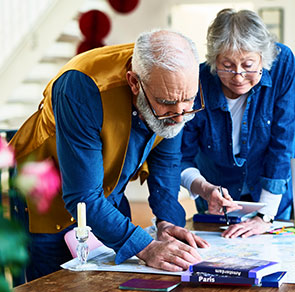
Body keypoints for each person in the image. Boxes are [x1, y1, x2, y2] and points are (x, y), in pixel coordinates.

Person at [9, 29, 209, 281]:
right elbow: (83, 195)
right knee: (54, 283)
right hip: (46, 195)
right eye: (167, 105)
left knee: (115, 280)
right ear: (134, 82)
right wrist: (146, 246)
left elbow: (167, 160)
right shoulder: (81, 86)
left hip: (107, 191)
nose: (180, 117)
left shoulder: (172, 88)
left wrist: (167, 222)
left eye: (188, 102)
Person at [180, 9, 295, 239]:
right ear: (214, 59)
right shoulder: (197, 82)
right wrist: (204, 189)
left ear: (263, 59)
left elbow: (283, 141)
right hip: (218, 200)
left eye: (248, 65)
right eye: (227, 65)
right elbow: (180, 156)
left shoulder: (282, 63)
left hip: (272, 191)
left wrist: (265, 215)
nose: (237, 76)